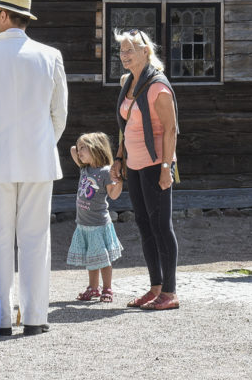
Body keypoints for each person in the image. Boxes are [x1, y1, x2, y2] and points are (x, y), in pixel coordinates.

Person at [0, 0, 68, 336]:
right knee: (36, 238)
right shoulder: (50, 55)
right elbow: (59, 115)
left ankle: (0, 318)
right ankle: (36, 317)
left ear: (5, 16)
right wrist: (39, 145)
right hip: (39, 158)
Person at [111, 28, 180, 311]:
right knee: (144, 224)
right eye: (122, 50)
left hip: (155, 164)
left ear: (145, 51)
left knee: (162, 226)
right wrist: (118, 159)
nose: (125, 55)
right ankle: (155, 286)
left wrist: (166, 168)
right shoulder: (128, 82)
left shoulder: (158, 87)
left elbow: (172, 129)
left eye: (130, 50)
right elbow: (124, 126)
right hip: (135, 164)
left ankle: (171, 292)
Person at [66, 132, 124, 303]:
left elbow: (113, 195)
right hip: (83, 224)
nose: (79, 151)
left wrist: (119, 181)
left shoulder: (105, 172)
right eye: (80, 147)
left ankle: (107, 288)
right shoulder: (85, 168)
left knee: (103, 260)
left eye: (84, 148)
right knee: (92, 260)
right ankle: (93, 288)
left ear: (96, 149)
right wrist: (81, 147)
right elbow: (71, 150)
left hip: (98, 225)